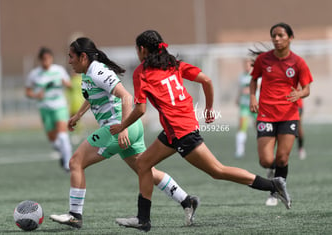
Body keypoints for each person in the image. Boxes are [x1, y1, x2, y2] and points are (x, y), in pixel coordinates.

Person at [110, 30, 291, 232]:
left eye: (137, 49)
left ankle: (273, 185)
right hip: (177, 128)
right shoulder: (173, 64)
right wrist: (208, 108)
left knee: (217, 171)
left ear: (142, 50)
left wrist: (122, 126)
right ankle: (144, 219)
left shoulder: (141, 72)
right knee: (143, 164)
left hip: (181, 132)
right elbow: (207, 80)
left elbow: (141, 109)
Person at [49, 37, 199, 229]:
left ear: (83, 56)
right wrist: (78, 115)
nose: (69, 61)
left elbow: (126, 97)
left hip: (118, 127)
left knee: (75, 162)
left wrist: (123, 129)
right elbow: (93, 96)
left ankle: (74, 215)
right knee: (145, 170)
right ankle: (187, 201)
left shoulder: (97, 71)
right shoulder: (88, 72)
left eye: (71, 57)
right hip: (129, 128)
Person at [249, 23, 313, 206]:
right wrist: (253, 97)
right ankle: (273, 174)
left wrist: (299, 94)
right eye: (273, 36)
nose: (276, 39)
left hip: (288, 115)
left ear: (290, 38)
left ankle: (276, 191)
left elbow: (307, 88)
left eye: (280, 35)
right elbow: (254, 79)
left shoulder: (298, 62)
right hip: (266, 114)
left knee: (282, 158)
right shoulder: (263, 59)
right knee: (266, 160)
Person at [25, 47, 73, 172]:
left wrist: (66, 84)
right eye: (44, 59)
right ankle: (63, 153)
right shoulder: (34, 74)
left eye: (49, 58)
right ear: (40, 60)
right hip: (44, 108)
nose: (46, 61)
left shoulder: (59, 70)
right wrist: (36, 95)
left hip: (60, 106)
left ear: (51, 58)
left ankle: (68, 164)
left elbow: (70, 86)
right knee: (53, 141)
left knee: (63, 135)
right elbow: (27, 91)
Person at [235, 58, 256, 158]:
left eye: (249, 65)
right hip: (244, 106)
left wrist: (249, 90)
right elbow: (240, 89)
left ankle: (263, 149)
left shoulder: (257, 75)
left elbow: (259, 87)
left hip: (256, 106)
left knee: (259, 128)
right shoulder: (241, 76)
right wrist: (238, 98)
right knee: (242, 126)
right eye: (245, 65)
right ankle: (240, 150)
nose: (247, 67)